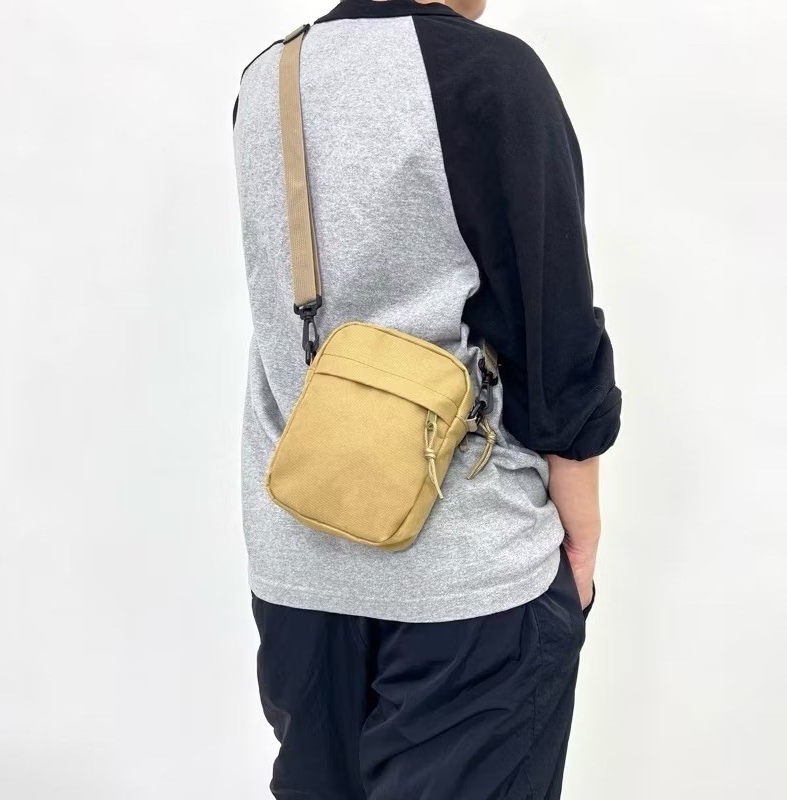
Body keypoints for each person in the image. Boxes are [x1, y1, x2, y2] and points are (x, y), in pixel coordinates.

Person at [232, 1, 621, 797]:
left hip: (297, 562)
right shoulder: (492, 72)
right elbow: (552, 332)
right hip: (466, 575)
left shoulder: (267, 77)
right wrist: (581, 536)